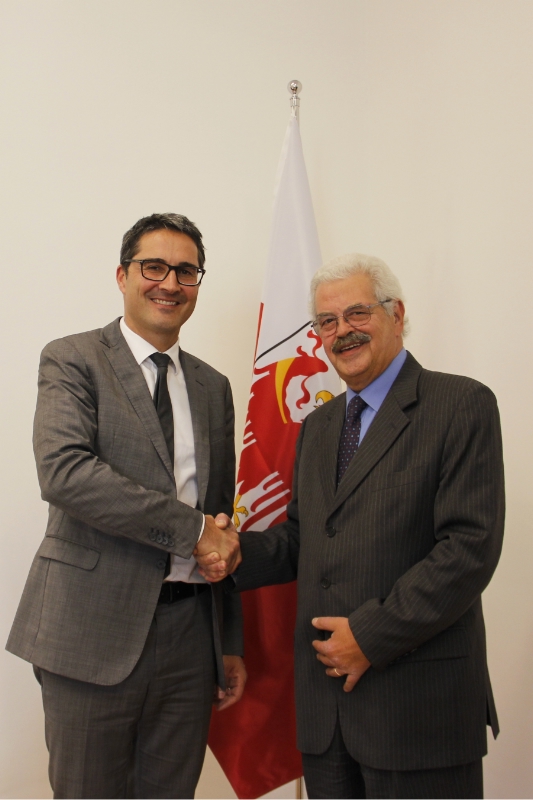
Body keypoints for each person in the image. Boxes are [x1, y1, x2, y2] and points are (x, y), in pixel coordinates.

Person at [201, 253, 504, 799]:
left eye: (357, 313)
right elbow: (306, 538)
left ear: (396, 314)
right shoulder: (319, 426)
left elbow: (468, 549)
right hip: (327, 718)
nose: (342, 331)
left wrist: (369, 636)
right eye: (327, 321)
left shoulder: (460, 404)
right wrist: (235, 550)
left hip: (418, 711)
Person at [6, 213, 245, 799]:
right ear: (122, 275)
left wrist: (228, 641)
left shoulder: (213, 387)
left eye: (186, 271)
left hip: (190, 638)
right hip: (89, 630)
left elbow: (220, 518)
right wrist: (193, 531)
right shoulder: (73, 359)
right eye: (153, 267)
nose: (170, 283)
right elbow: (65, 474)